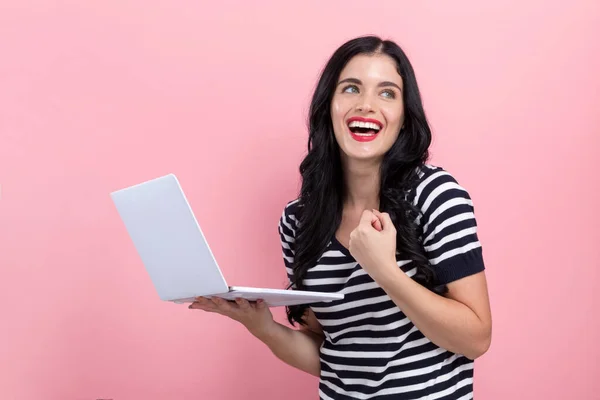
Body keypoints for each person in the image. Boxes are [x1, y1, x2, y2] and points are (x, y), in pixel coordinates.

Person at [189, 35, 492, 399]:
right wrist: (263, 328)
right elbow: (333, 356)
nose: (366, 105)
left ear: (403, 116)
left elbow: (475, 338)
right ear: (328, 105)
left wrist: (384, 270)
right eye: (350, 88)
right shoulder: (299, 221)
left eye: (386, 93)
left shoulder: (434, 196)